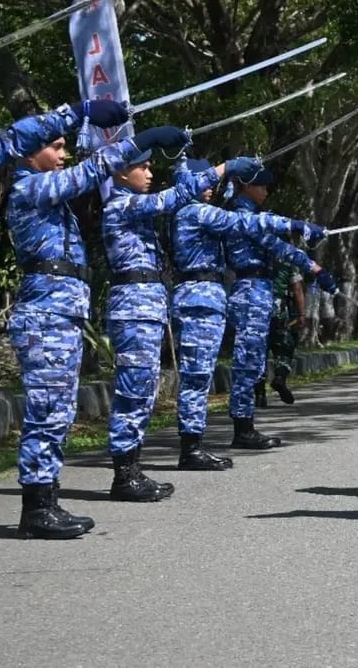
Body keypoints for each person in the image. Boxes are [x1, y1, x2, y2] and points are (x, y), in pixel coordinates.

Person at [6, 101, 179, 538]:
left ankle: (44, 503)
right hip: (46, 314)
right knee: (48, 412)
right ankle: (37, 508)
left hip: (60, 314)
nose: (64, 154)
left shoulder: (48, 193)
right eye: (57, 146)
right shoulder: (28, 189)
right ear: (30, 152)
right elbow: (86, 174)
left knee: (57, 411)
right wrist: (137, 142)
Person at [100, 139, 257, 501]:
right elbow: (174, 198)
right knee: (133, 391)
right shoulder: (122, 204)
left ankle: (130, 471)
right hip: (134, 306)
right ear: (122, 171)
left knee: (142, 391)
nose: (150, 172)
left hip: (147, 305)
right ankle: (125, 475)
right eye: (144, 166)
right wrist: (223, 168)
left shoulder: (135, 206)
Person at [171, 157, 325, 470]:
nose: (209, 188)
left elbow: (270, 241)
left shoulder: (207, 211)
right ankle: (210, 439)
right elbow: (254, 228)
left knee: (229, 366)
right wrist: (296, 227)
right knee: (215, 370)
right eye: (201, 182)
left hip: (221, 292)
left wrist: (312, 265)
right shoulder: (196, 211)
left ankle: (219, 435)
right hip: (233, 290)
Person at [223, 169, 337, 450]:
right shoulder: (240, 215)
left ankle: (245, 424)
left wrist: (314, 267)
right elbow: (265, 228)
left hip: (259, 289)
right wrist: (298, 226)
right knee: (247, 362)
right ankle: (242, 427)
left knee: (254, 361)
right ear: (246, 187)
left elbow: (277, 246)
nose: (266, 191)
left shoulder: (254, 220)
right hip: (249, 289)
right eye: (261, 185)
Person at [268, 258, 306, 404]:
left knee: (257, 350)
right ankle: (280, 377)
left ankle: (259, 393)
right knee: (284, 347)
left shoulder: (253, 257)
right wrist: (301, 314)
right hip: (279, 310)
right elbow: (297, 289)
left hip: (255, 308)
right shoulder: (287, 261)